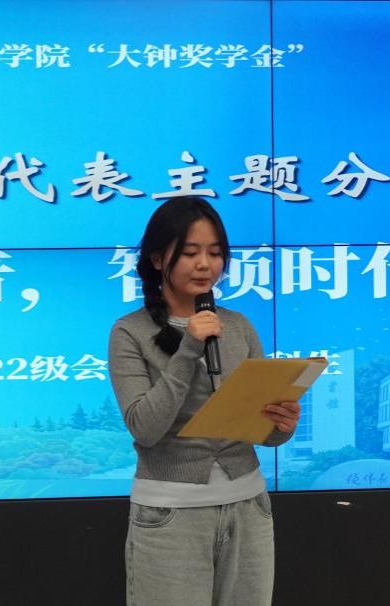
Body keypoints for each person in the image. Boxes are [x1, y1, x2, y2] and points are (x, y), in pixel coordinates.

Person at [108, 196, 300, 606]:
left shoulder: (238, 325)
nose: (205, 264)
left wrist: (281, 424)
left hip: (249, 507)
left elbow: (263, 432)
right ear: (158, 259)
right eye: (190, 252)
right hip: (170, 515)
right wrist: (189, 348)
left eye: (215, 253)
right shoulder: (129, 332)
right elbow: (145, 428)